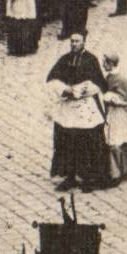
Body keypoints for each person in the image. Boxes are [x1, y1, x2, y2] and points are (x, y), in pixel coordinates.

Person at [45, 31, 110, 192]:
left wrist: (82, 90)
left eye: (77, 41)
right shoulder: (65, 59)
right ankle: (70, 176)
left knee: (87, 143)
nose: (74, 44)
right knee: (67, 142)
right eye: (72, 41)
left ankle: (89, 178)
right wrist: (65, 89)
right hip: (68, 108)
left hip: (85, 107)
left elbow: (99, 83)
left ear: (84, 42)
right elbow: (53, 79)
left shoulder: (91, 60)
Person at [101, 53, 127, 182]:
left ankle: (119, 171)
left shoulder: (120, 79)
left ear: (111, 64)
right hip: (112, 113)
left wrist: (112, 98)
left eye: (105, 63)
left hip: (120, 114)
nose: (103, 65)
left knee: (117, 140)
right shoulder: (110, 77)